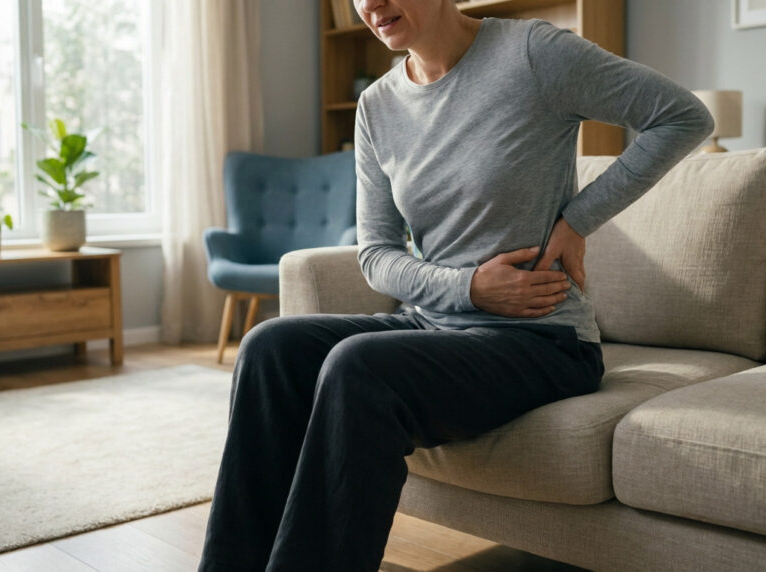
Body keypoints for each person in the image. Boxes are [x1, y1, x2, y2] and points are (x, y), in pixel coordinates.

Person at [198, 0, 713, 570]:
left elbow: (683, 116)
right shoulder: (376, 106)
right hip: (433, 323)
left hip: (542, 340)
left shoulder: (532, 54)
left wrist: (577, 220)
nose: (369, 4)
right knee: (270, 348)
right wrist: (470, 288)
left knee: (359, 366)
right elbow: (376, 252)